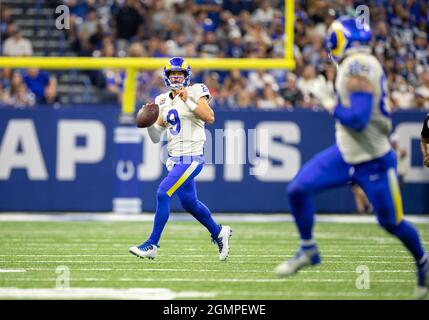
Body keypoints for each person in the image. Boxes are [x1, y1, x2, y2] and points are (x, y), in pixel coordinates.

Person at [275, 16, 429, 300]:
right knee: (297, 189)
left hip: (373, 159)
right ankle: (308, 248)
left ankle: (423, 261)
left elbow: (357, 119)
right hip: (345, 154)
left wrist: (327, 102)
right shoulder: (355, 63)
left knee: (391, 223)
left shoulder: (358, 66)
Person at [129, 57, 232, 261]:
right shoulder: (162, 100)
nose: (176, 77)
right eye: (172, 74)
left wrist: (187, 100)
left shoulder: (196, 91)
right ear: (166, 77)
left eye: (180, 74)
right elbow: (156, 136)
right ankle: (219, 232)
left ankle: (152, 244)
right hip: (175, 159)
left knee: (162, 192)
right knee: (190, 203)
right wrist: (148, 120)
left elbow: (210, 117)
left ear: (187, 76)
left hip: (192, 157)